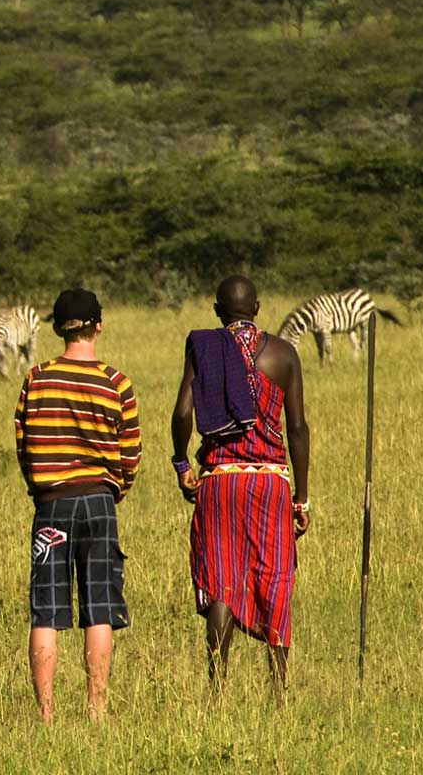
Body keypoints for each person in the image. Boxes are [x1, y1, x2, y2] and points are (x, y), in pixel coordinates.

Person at [169, 276, 310, 702]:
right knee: (275, 576)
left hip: (220, 480)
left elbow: (182, 412)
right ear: (259, 308)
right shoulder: (284, 354)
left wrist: (181, 463)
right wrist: (300, 497)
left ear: (217, 311)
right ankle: (280, 689)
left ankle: (217, 688)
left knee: (221, 580)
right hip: (269, 483)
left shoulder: (205, 347)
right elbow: (298, 428)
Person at [14, 288, 142, 723]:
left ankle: (47, 714)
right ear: (98, 325)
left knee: (46, 608)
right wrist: (115, 490)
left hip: (51, 504)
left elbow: (23, 445)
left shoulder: (36, 378)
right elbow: (131, 454)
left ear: (56, 328)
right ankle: (96, 708)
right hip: (100, 502)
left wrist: (42, 487)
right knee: (100, 605)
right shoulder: (116, 382)